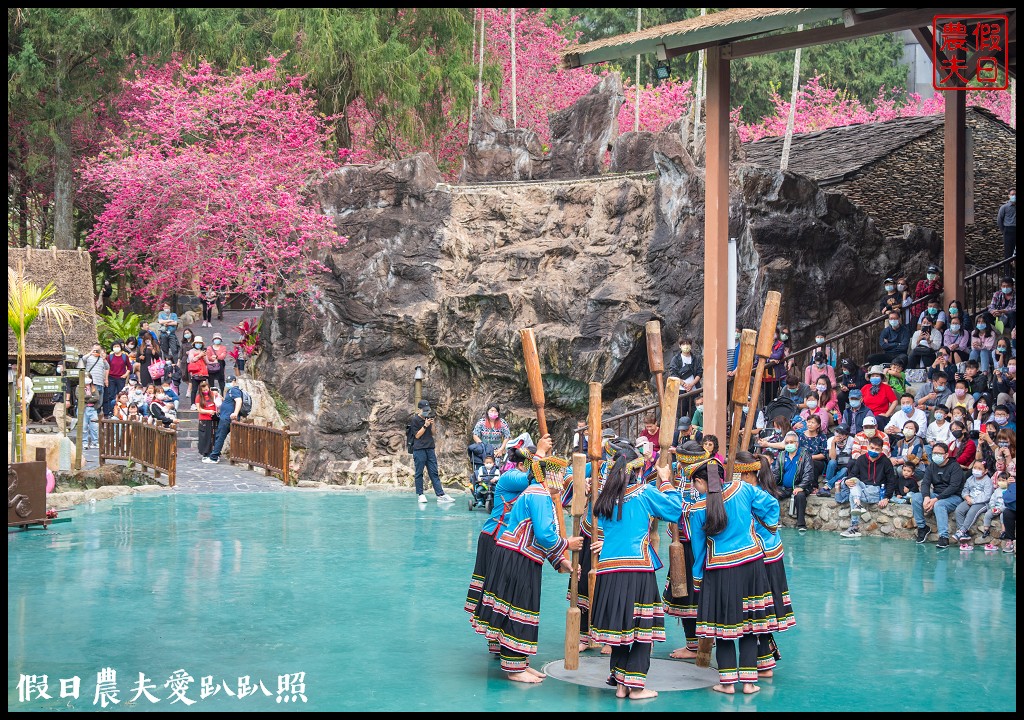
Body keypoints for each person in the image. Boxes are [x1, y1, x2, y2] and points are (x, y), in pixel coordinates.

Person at [469, 453, 582, 684]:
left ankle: (520, 663)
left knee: (523, 608)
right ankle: (514, 668)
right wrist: (566, 544)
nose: (562, 478)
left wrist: (561, 560)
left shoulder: (539, 494)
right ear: (549, 475)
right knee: (518, 608)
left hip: (521, 556)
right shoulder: (539, 494)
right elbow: (544, 534)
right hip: (517, 558)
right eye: (560, 473)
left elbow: (540, 537)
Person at [589, 448, 681, 700]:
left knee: (619, 629)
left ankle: (620, 684)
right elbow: (675, 509)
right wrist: (665, 481)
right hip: (637, 569)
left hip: (608, 570)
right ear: (639, 471)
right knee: (642, 630)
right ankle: (636, 687)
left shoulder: (604, 498)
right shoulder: (644, 493)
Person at [685, 457, 780, 695]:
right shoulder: (744, 489)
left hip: (719, 571)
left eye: (694, 484)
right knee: (750, 626)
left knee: (723, 629)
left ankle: (726, 683)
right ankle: (749, 683)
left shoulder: (697, 510)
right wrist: (766, 531)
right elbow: (771, 505)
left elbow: (698, 551)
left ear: (700, 481)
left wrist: (698, 581)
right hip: (752, 564)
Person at [466, 439, 548, 650]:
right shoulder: (512, 476)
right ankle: (494, 639)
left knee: (501, 591)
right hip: (494, 538)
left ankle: (498, 638)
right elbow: (532, 477)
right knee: (495, 589)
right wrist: (539, 452)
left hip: (506, 541)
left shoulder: (528, 482)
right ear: (522, 465)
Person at [734, 452, 793, 677]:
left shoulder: (756, 496)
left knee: (757, 611)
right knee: (760, 611)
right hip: (767, 556)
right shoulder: (763, 494)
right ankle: (766, 657)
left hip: (760, 559)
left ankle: (765, 661)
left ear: (748, 474)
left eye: (739, 473)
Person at [836, 436, 897, 536]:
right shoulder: (861, 459)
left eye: (877, 449)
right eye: (872, 448)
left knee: (853, 494)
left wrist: (886, 497)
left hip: (876, 490)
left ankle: (854, 526)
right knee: (853, 482)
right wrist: (847, 481)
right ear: (868, 447)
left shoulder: (886, 461)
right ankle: (858, 504)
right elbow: (853, 475)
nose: (874, 451)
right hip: (862, 488)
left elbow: (891, 481)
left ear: (881, 449)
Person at [912, 442, 967, 548]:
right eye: (934, 453)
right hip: (936, 494)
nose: (935, 455)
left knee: (939, 505)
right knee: (915, 498)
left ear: (946, 455)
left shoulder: (955, 467)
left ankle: (943, 537)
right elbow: (925, 483)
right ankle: (922, 527)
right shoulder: (932, 466)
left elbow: (954, 487)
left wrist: (935, 499)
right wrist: (926, 497)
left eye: (939, 453)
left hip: (954, 497)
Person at [409, 400, 453, 503]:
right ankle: (420, 494)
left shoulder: (429, 418)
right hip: (419, 449)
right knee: (419, 472)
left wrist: (432, 424)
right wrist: (425, 425)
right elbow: (417, 435)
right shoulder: (415, 420)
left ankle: (440, 494)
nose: (426, 412)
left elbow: (433, 433)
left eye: (427, 410)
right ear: (419, 409)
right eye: (424, 410)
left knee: (434, 472)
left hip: (430, 448)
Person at [773, 431, 814, 532]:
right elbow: (776, 473)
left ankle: (801, 524)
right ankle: (775, 522)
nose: (789, 444)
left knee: (800, 496)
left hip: (800, 486)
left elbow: (808, 473)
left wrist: (801, 486)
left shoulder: (804, 454)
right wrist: (770, 484)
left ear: (797, 443)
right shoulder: (781, 455)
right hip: (784, 487)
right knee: (771, 494)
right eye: (786, 443)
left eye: (791, 442)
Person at [951, 461, 994, 546]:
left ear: (985, 471)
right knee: (959, 510)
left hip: (982, 503)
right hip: (969, 499)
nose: (976, 470)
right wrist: (967, 497)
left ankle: (962, 530)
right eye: (975, 468)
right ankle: (964, 534)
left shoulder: (987, 481)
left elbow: (987, 495)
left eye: (980, 468)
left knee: (972, 512)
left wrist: (973, 501)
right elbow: (965, 490)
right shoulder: (970, 479)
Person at [205, 375, 243, 465]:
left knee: (220, 437)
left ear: (234, 381)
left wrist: (235, 413)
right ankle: (216, 455)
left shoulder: (234, 390)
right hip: (225, 417)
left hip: (227, 418)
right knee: (220, 436)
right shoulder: (230, 391)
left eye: (230, 381)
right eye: (227, 381)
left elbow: (239, 401)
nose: (228, 383)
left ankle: (214, 457)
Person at [667, 336, 702, 415]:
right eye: (683, 344)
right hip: (680, 391)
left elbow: (699, 372)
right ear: (680, 346)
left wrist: (691, 384)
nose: (686, 346)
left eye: (687, 344)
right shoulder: (675, 359)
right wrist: (684, 384)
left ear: (691, 345)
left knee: (695, 414)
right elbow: (674, 374)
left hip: (694, 390)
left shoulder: (696, 359)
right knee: (680, 414)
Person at [980, 474, 1010, 548]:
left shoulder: (1009, 490)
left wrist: (1001, 509)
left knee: (1003, 516)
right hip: (995, 507)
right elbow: (992, 499)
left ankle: (1003, 531)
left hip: (1004, 508)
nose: (1001, 482)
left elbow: (1007, 502)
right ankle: (986, 530)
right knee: (987, 514)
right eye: (999, 480)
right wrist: (992, 507)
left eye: (1003, 480)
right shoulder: (997, 490)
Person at [104, 341, 132, 417]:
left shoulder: (124, 356)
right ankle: (111, 411)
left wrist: (126, 374)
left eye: (117, 346)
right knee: (111, 395)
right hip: (111, 378)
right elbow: (106, 367)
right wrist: (106, 378)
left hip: (121, 378)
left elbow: (129, 367)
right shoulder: (110, 357)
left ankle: (122, 411)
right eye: (114, 346)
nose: (116, 348)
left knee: (121, 395)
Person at [759, 329, 787, 402]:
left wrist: (765, 356)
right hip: (764, 375)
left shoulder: (780, 344)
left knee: (773, 395)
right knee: (765, 396)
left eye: (774, 333)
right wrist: (769, 360)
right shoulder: (763, 344)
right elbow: (759, 356)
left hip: (775, 374)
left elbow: (778, 356)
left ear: (777, 334)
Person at [82, 344, 109, 420]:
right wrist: (91, 353)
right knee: (92, 401)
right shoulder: (88, 357)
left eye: (98, 350)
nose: (96, 351)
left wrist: (103, 358)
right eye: (95, 349)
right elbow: (82, 359)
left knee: (100, 402)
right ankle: (90, 418)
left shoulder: (101, 359)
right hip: (92, 383)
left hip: (101, 383)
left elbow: (107, 367)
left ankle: (95, 417)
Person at [196, 379, 218, 460]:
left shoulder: (212, 394)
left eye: (207, 389)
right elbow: (199, 409)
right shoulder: (199, 398)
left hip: (213, 417)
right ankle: (205, 452)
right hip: (204, 418)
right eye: (204, 390)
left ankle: (213, 450)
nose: (205, 391)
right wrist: (208, 411)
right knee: (205, 436)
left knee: (212, 435)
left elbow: (219, 400)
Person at [801, 414, 828, 480]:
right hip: (802, 460)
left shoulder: (822, 437)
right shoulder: (801, 436)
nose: (810, 424)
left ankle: (814, 486)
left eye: (813, 422)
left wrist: (809, 458)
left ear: (818, 425)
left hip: (818, 461)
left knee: (811, 463)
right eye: (808, 422)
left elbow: (823, 455)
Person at [185, 336, 209, 409]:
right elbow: (191, 360)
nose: (198, 344)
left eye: (200, 343)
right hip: (195, 372)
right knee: (194, 389)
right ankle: (193, 404)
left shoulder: (203, 352)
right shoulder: (192, 351)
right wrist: (199, 355)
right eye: (197, 343)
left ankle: (202, 403)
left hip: (203, 372)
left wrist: (206, 356)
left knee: (203, 389)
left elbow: (207, 362)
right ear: (194, 344)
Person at [996, 187, 1016, 260]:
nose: (1014, 196)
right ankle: (1007, 271)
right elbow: (999, 220)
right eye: (1012, 194)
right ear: (1009, 196)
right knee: (1008, 253)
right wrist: (1003, 230)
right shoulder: (1004, 207)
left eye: (1015, 194)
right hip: (1008, 230)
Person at [82, 376, 101, 449]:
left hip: (93, 408)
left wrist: (87, 398)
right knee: (84, 427)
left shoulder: (94, 387)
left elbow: (97, 397)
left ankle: (95, 442)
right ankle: (85, 442)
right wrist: (90, 397)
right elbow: (80, 397)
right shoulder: (79, 387)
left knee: (94, 427)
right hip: (84, 409)